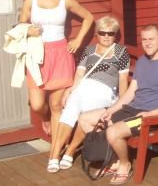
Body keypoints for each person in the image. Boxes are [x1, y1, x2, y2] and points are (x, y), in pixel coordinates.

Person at [83, 23, 158, 185]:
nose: (147, 43)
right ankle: (113, 160)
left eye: (151, 39)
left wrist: (151, 114)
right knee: (85, 119)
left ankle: (125, 164)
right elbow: (131, 92)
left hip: (150, 118)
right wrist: (112, 110)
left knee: (113, 132)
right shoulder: (142, 62)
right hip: (132, 110)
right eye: (144, 39)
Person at [19, 0, 94, 171]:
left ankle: (54, 153)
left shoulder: (65, 1)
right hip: (37, 55)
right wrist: (28, 30)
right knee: (37, 104)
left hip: (61, 54)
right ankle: (45, 118)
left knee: (56, 106)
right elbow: (21, 24)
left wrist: (78, 40)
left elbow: (88, 17)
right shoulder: (31, 1)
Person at [47, 16, 130, 173]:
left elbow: (123, 79)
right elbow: (80, 73)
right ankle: (54, 155)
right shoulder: (89, 50)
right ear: (97, 33)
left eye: (110, 33)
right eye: (102, 33)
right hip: (84, 87)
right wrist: (71, 90)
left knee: (86, 113)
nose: (106, 36)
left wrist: (122, 103)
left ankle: (70, 151)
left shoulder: (121, 52)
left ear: (115, 35)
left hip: (105, 90)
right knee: (70, 110)